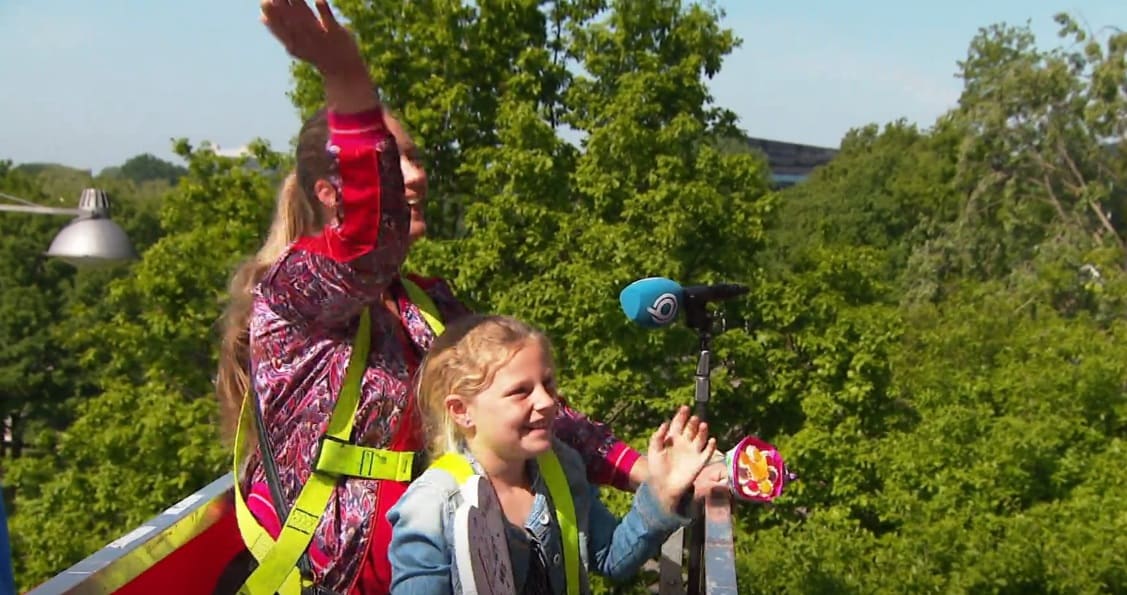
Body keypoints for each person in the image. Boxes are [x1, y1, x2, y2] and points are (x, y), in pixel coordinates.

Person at [215, 2, 725, 593]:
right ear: (335, 193)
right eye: (392, 161)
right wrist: (346, 76)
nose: (414, 175)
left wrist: (651, 474)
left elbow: (530, 408)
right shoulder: (291, 294)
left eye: (410, 157)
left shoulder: (424, 305)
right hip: (330, 583)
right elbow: (368, 238)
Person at [387, 315, 716, 594]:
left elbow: (612, 558)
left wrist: (662, 492)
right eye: (521, 391)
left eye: (547, 383)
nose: (547, 402)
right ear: (462, 411)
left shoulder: (562, 467)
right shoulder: (431, 504)